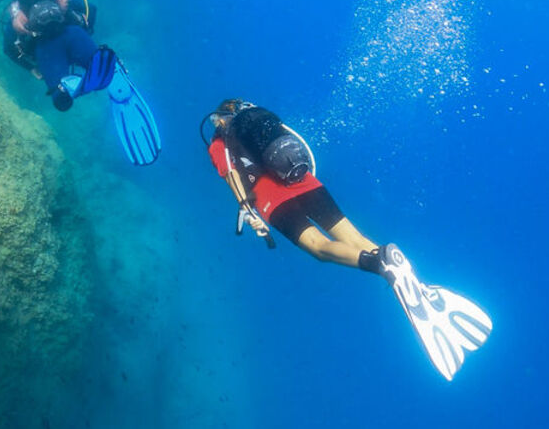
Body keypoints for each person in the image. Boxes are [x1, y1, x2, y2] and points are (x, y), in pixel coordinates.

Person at [202, 98, 493, 381]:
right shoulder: (261, 120)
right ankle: (394, 264)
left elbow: (232, 175)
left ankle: (379, 263)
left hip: (271, 198)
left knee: (318, 246)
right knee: (351, 234)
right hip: (303, 179)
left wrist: (248, 211)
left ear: (220, 118)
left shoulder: (220, 141)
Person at [0, 0, 161, 165]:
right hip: (73, 35)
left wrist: (31, 68)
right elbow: (91, 8)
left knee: (61, 100)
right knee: (98, 63)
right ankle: (111, 71)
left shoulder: (16, 17)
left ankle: (67, 87)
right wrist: (87, 29)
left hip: (46, 51)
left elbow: (8, 49)